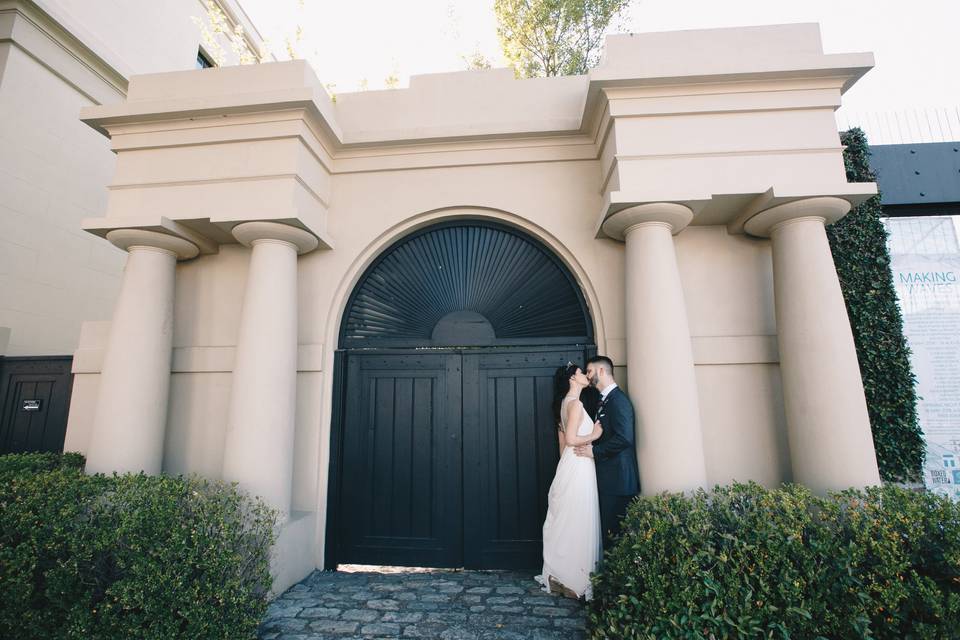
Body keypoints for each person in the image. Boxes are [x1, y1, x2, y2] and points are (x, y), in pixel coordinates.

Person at [534, 363, 604, 600]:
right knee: (579, 519)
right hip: (580, 465)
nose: (586, 375)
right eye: (581, 373)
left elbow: (562, 446)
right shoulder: (575, 404)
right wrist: (594, 435)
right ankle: (575, 580)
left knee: (568, 519)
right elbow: (573, 439)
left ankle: (561, 577)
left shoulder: (563, 405)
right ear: (573, 379)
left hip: (568, 464)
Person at [575, 356, 640, 548]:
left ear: (601, 371)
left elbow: (624, 438)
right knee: (607, 535)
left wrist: (595, 451)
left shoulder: (618, 400)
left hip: (618, 481)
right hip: (609, 480)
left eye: (589, 371)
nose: (588, 376)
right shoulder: (604, 400)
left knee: (614, 537)